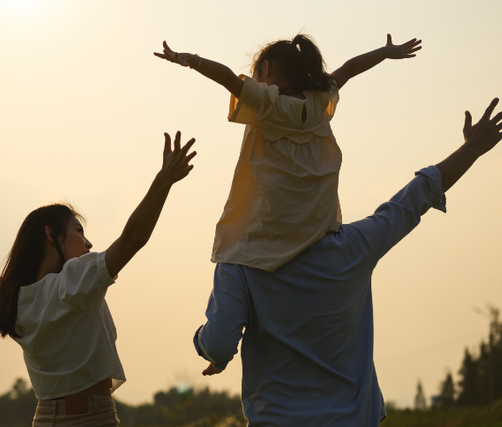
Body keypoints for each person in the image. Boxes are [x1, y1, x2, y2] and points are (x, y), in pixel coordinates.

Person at [193, 99, 502, 427]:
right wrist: (472, 149)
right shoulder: (355, 247)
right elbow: (414, 198)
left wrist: (206, 344)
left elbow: (218, 343)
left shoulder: (240, 260)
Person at [0, 132, 197, 427]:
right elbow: (132, 239)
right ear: (51, 235)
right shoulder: (74, 280)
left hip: (42, 426)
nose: (88, 242)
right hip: (90, 423)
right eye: (78, 231)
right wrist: (163, 181)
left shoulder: (14, 296)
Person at [155, 34, 421, 271]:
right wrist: (385, 52)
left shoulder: (267, 104)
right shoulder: (320, 100)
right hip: (319, 226)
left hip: (270, 232)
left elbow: (227, 78)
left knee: (230, 264)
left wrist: (191, 60)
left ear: (267, 68)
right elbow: (349, 69)